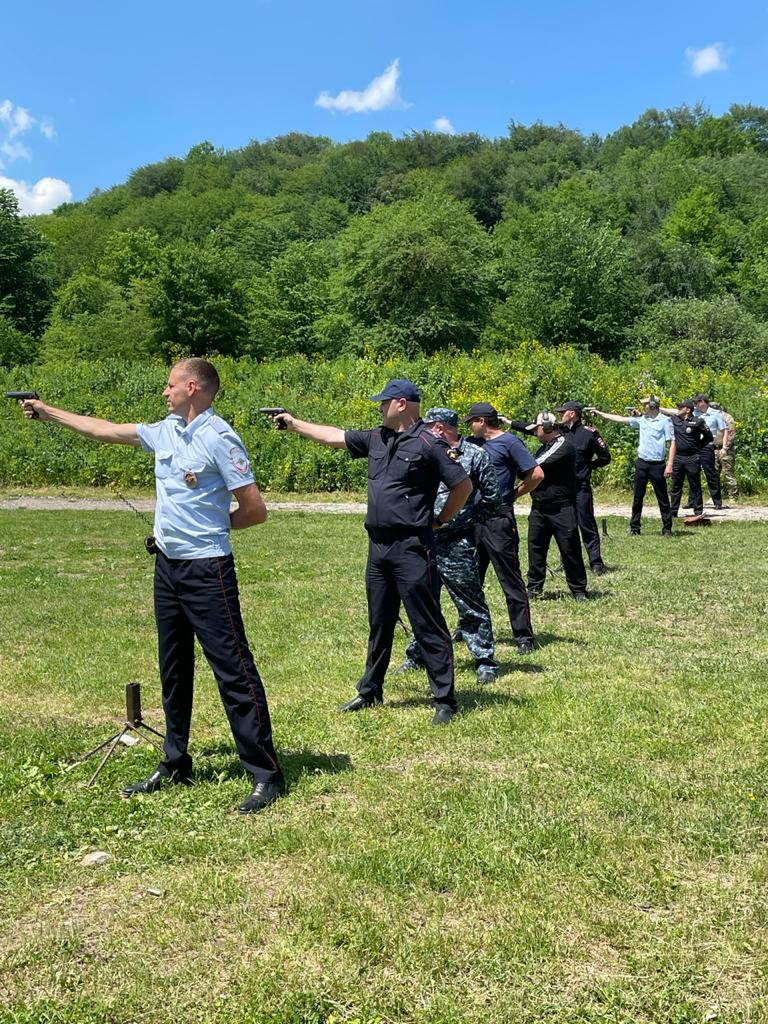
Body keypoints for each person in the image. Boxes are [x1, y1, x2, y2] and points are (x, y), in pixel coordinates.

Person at [19, 358, 284, 814]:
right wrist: (48, 411)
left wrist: (209, 531)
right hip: (168, 569)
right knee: (174, 667)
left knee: (233, 670)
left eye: (171, 385)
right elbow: (103, 429)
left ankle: (265, 774)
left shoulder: (220, 438)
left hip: (208, 571)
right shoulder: (165, 431)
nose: (165, 392)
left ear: (193, 387)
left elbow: (254, 510)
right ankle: (176, 761)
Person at [272, 380, 472, 726]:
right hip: (378, 547)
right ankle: (370, 690)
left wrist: (440, 519)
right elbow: (334, 436)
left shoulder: (430, 443)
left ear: (400, 404)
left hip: (412, 546)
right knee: (379, 622)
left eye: (383, 403)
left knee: (427, 622)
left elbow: (462, 485)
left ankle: (445, 700)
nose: (379, 408)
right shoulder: (378, 438)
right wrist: (294, 423)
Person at [395, 407, 505, 685]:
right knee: (423, 602)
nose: (425, 431)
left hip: (455, 543)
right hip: (421, 541)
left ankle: (484, 659)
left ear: (441, 427)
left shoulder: (475, 455)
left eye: (429, 426)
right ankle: (417, 655)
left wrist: (459, 521)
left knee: (469, 602)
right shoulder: (423, 451)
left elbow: (493, 499)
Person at [463, 402, 543, 655]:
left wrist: (513, 495)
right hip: (473, 520)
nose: (469, 427)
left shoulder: (510, 443)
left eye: (471, 422)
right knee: (469, 579)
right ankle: (467, 628)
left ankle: (523, 636)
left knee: (510, 580)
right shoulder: (472, 444)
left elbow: (537, 474)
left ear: (482, 421)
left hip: (499, 522)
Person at [525, 413, 588, 600]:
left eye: (537, 428)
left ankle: (578, 590)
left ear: (547, 427)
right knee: (535, 549)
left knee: (570, 549)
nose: (535, 432)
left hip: (561, 507)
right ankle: (534, 587)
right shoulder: (545, 447)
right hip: (539, 506)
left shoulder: (562, 445)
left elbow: (534, 466)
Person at [590, 397, 674, 536]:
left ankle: (667, 528)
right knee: (637, 497)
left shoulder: (665, 421)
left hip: (657, 464)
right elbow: (620, 419)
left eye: (645, 405)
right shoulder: (642, 420)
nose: (642, 407)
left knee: (663, 498)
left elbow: (672, 443)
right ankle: (635, 527)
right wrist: (601, 413)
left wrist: (670, 464)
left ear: (652, 406)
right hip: (642, 462)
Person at [554, 401, 611, 575]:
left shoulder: (589, 434)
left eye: (563, 412)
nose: (560, 415)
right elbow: (534, 429)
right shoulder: (559, 431)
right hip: (563, 488)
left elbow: (605, 457)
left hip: (580, 487)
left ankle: (596, 563)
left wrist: (589, 466)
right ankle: (566, 561)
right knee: (565, 526)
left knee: (586, 525)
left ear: (572, 413)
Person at [665, 399, 712, 519]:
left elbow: (708, 437)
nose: (678, 410)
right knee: (676, 485)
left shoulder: (698, 421)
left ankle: (698, 510)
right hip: (678, 457)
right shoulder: (675, 420)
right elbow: (663, 413)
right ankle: (673, 511)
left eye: (680, 408)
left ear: (687, 409)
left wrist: (698, 446)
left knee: (695, 485)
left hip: (692, 457)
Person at [693, 394, 728, 509]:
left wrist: (724, 447)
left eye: (698, 402)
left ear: (703, 402)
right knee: (692, 473)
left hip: (707, 445)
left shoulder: (715, 413)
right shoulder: (695, 413)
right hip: (695, 445)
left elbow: (724, 430)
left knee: (710, 473)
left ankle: (717, 502)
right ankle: (692, 501)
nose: (696, 404)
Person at [711, 402, 738, 501]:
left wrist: (725, 448)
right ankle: (715, 497)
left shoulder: (727, 418)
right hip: (714, 448)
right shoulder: (711, 417)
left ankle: (733, 497)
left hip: (726, 450)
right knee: (713, 474)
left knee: (729, 474)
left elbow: (731, 435)